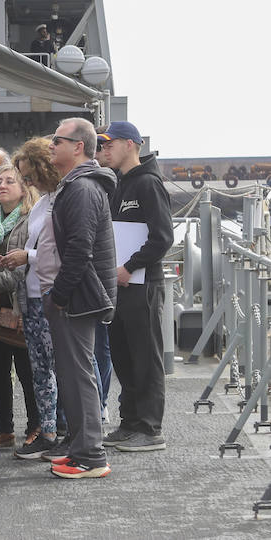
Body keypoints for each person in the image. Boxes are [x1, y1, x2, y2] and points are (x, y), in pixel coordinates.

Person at [44, 117, 118, 479]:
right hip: (79, 295)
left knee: (78, 374)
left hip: (78, 297)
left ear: (78, 147)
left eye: (57, 140)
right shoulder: (78, 185)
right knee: (74, 374)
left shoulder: (82, 188)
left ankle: (90, 455)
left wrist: (58, 295)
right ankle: (81, 449)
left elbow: (79, 251)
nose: (51, 145)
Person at [98, 120, 172, 453]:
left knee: (145, 356)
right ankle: (129, 422)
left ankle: (149, 428)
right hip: (121, 285)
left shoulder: (147, 184)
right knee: (124, 356)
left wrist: (130, 267)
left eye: (110, 144)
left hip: (142, 284)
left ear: (130, 144)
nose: (104, 150)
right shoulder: (119, 184)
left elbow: (163, 238)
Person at [1, 138, 64, 460]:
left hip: (55, 294)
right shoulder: (44, 202)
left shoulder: (61, 199)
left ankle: (61, 430)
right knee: (41, 367)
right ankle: (50, 429)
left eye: (27, 175)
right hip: (35, 293)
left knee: (58, 366)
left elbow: (67, 251)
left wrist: (28, 256)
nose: (27, 182)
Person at [0, 163, 40, 450]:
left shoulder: (30, 219)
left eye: (10, 181)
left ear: (23, 189)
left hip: (18, 304)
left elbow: (25, 264)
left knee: (28, 372)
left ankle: (35, 426)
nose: (2, 185)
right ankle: (3, 429)